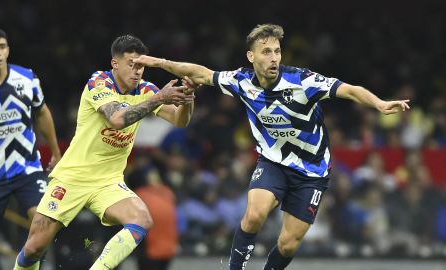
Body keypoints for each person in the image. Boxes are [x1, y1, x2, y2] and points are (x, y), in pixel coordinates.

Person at [133, 24, 410, 270]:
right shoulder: (241, 81)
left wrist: (379, 103)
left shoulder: (303, 81)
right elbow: (200, 73)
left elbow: (349, 89)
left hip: (311, 171)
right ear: (251, 56)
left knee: (288, 244)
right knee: (254, 215)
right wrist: (157, 61)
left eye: (277, 51)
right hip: (273, 162)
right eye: (266, 52)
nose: (274, 57)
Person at [13, 34, 195, 270]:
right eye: (131, 64)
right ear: (115, 63)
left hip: (108, 182)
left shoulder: (146, 90)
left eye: (141, 65)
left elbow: (179, 121)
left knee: (141, 219)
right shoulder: (98, 83)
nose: (138, 70)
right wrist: (160, 97)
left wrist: (188, 98)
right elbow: (117, 120)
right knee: (35, 247)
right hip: (72, 177)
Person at [0, 27, 62, 270]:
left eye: (1, 46)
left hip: (27, 168)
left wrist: (55, 152)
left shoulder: (27, 79)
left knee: (44, 222)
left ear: (7, 50)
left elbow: (42, 112)